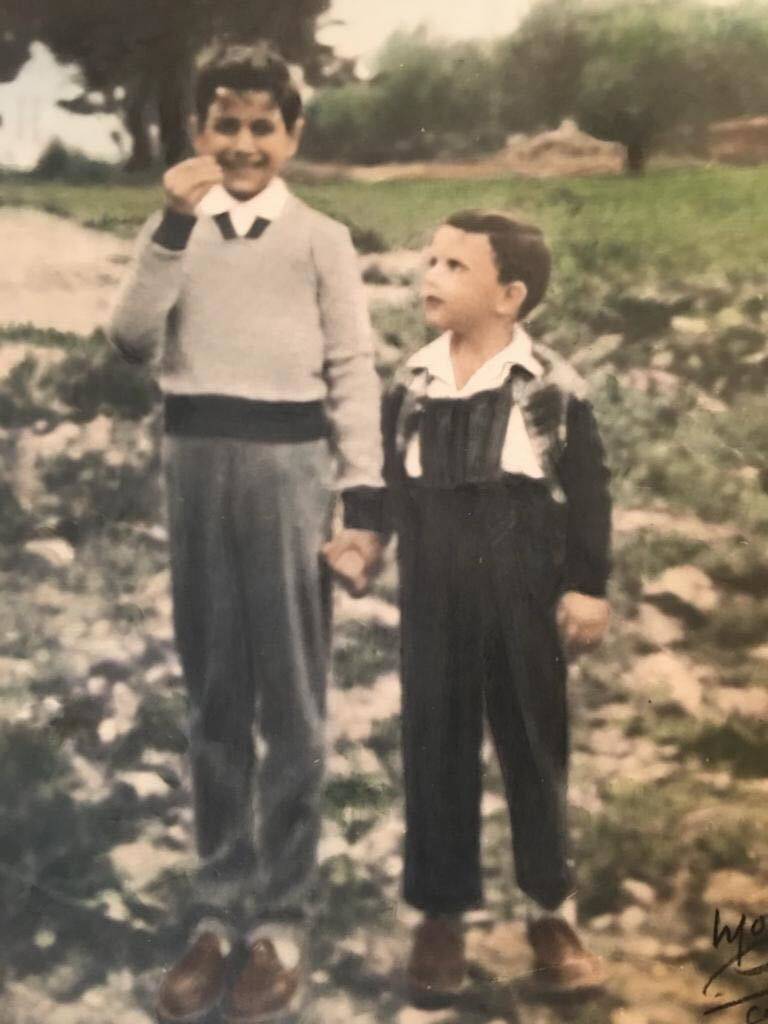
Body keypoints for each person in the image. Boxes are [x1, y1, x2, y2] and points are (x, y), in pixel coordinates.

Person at [108, 41, 384, 1024]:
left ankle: (284, 922)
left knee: (295, 701)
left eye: (262, 126)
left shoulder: (320, 239)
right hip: (195, 464)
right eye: (224, 124)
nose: (242, 143)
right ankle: (218, 913)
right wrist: (171, 230)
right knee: (214, 691)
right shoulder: (175, 231)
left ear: (293, 135)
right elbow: (132, 338)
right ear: (197, 132)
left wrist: (366, 499)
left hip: (291, 472)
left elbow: (353, 367)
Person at [334, 209, 612, 1003]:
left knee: (533, 741)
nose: (431, 277)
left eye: (456, 266)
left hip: (522, 582)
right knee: (436, 744)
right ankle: (441, 916)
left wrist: (588, 585)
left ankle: (550, 910)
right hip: (435, 587)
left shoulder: (553, 387)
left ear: (510, 296)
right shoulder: (411, 384)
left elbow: (590, 494)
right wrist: (367, 539)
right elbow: (385, 478)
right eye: (430, 260)